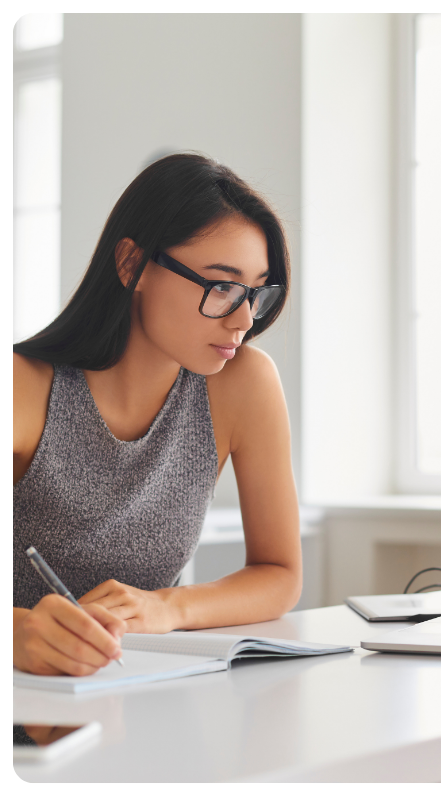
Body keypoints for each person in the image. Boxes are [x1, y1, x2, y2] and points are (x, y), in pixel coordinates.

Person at [13, 153, 301, 676]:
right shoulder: (23, 387)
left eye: (256, 292)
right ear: (133, 265)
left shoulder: (243, 384)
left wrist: (168, 606)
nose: (242, 319)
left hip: (133, 698)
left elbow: (279, 574)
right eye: (221, 285)